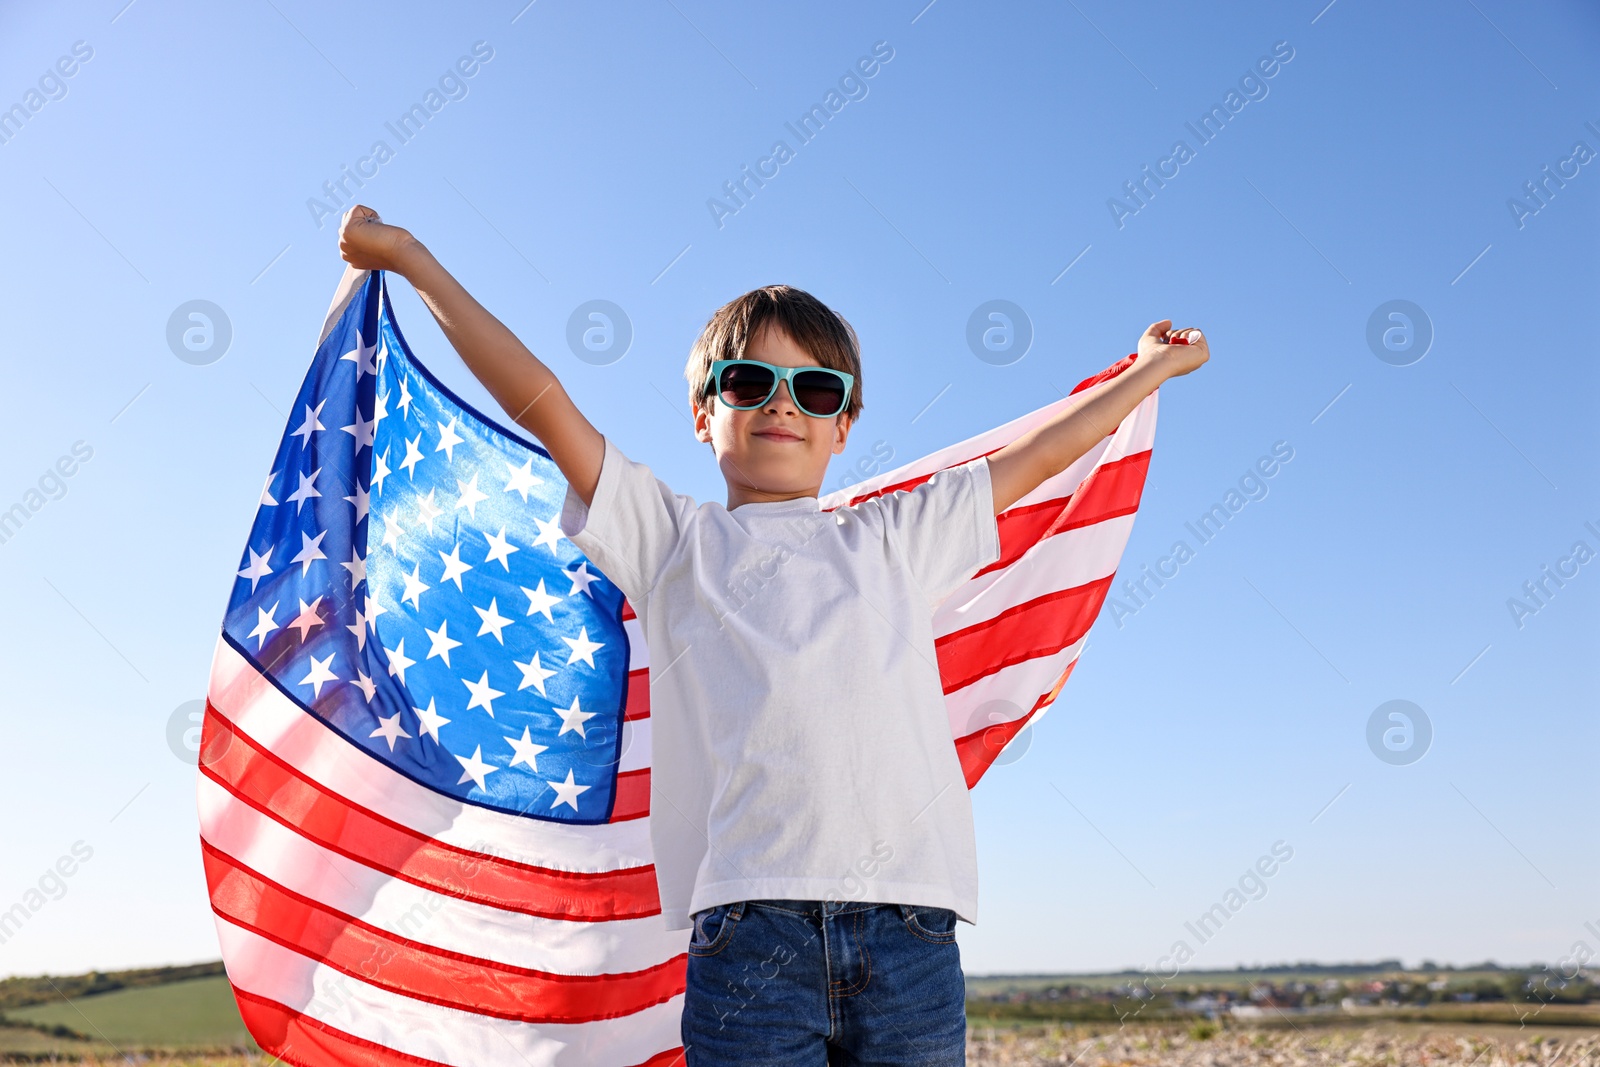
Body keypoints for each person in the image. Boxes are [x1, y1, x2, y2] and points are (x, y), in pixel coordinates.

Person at [336, 202, 1209, 1065]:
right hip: (748, 943)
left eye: (815, 389)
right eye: (749, 383)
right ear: (702, 412)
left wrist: (1147, 372)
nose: (781, 405)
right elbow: (541, 401)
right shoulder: (674, 541)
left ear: (843, 426)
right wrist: (413, 260)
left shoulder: (898, 537)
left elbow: (1045, 454)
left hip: (910, 936)